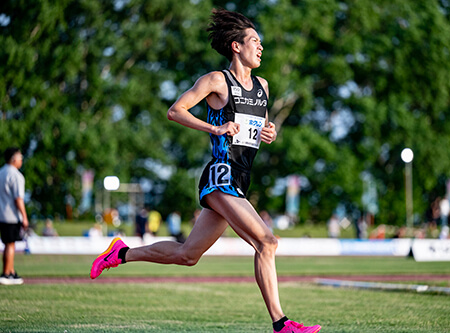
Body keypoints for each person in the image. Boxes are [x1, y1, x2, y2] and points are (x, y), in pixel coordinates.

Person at [90, 9, 321, 333]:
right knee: (267, 243)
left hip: (241, 177)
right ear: (236, 45)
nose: (261, 48)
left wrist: (269, 132)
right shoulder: (216, 81)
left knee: (188, 255)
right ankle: (282, 324)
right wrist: (212, 129)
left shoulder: (263, 87)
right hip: (220, 175)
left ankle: (121, 253)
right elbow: (176, 111)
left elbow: (255, 127)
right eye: (255, 41)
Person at [0, 147, 28, 285]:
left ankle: (11, 270)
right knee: (10, 245)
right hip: (11, 215)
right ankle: (7, 273)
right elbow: (18, 198)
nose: (21, 160)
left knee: (8, 243)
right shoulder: (16, 175)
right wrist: (24, 216)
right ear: (14, 159)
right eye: (20, 157)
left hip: (1, 214)